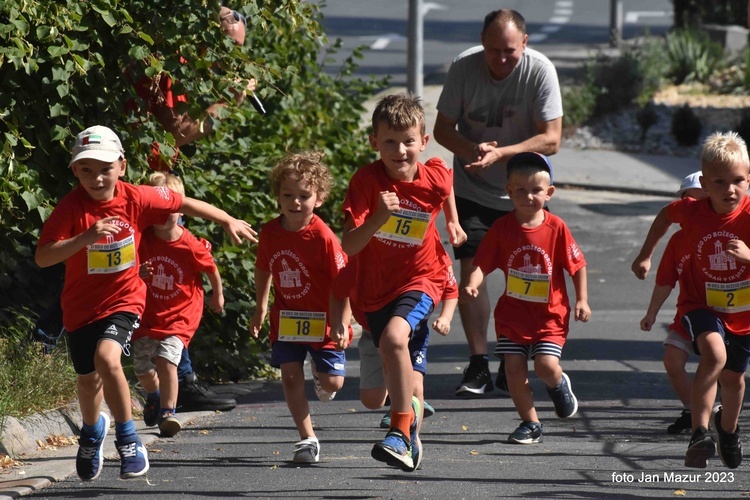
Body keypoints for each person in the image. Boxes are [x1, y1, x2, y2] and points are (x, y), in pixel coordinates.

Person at [34, 125, 256, 481]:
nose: (97, 177)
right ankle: (92, 432)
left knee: (108, 358)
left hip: (125, 299)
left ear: (121, 166)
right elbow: (43, 256)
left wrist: (227, 218)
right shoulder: (71, 208)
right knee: (88, 381)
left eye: (105, 168)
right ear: (75, 170)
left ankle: (128, 439)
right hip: (80, 308)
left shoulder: (136, 197)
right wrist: (86, 237)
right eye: (86, 169)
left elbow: (182, 203)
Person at [433, 8, 563, 399]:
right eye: (493, 51)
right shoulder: (464, 68)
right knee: (472, 270)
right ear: (482, 43)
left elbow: (552, 138)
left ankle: (514, 357)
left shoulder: (540, 71)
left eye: (509, 51)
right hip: (473, 187)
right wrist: (473, 149)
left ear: (524, 43)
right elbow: (441, 128)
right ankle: (478, 363)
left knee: (526, 274)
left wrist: (503, 152)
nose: (501, 59)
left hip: (523, 193)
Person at [341, 92, 452, 472]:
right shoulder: (365, 181)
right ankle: (411, 436)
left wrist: (451, 222)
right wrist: (376, 218)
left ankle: (400, 431)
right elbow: (350, 245)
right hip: (373, 292)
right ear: (374, 142)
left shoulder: (433, 175)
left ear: (423, 141)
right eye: (389, 141)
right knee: (383, 390)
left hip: (423, 280)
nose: (400, 150)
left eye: (408, 141)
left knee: (394, 338)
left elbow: (445, 182)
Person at [631, 131, 750, 469]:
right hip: (701, 304)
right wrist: (644, 255)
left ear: (748, 180)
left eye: (738, 181)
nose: (730, 189)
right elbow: (664, 217)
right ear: (705, 183)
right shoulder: (692, 210)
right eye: (720, 182)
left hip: (742, 312)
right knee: (714, 354)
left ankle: (727, 430)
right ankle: (700, 434)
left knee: (733, 379)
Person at [461, 152, 589, 444]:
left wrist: (582, 300)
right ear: (508, 191)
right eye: (520, 190)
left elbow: (577, 265)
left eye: (536, 190)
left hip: (550, 315)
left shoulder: (556, 228)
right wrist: (472, 283)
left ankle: (557, 383)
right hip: (513, 317)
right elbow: (482, 262)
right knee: (514, 369)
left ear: (549, 193)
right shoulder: (502, 228)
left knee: (544, 365)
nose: (528, 196)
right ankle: (531, 424)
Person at [249, 151, 351, 464]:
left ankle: (322, 376)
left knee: (333, 382)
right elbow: (265, 268)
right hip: (287, 317)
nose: (295, 203)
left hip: (325, 319)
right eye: (288, 195)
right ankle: (307, 438)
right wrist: (261, 307)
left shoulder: (323, 237)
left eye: (304, 196)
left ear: (319, 198)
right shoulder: (269, 233)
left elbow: (342, 282)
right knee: (290, 376)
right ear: (278, 197)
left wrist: (342, 323)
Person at [133, 172, 224, 438]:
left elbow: (211, 269)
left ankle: (169, 413)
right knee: (143, 369)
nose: (163, 215)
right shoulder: (144, 239)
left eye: (169, 209)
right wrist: (142, 274)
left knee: (167, 361)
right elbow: (132, 269)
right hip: (149, 316)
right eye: (156, 210)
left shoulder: (190, 244)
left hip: (180, 317)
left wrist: (217, 294)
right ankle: (153, 395)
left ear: (180, 209)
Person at [639, 172, 707, 434]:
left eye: (694, 200)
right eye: (684, 200)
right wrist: (651, 313)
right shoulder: (677, 241)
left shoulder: (727, 233)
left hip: (722, 316)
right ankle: (693, 409)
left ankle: (718, 417)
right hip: (688, 314)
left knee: (719, 366)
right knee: (672, 360)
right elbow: (666, 279)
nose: (687, 207)